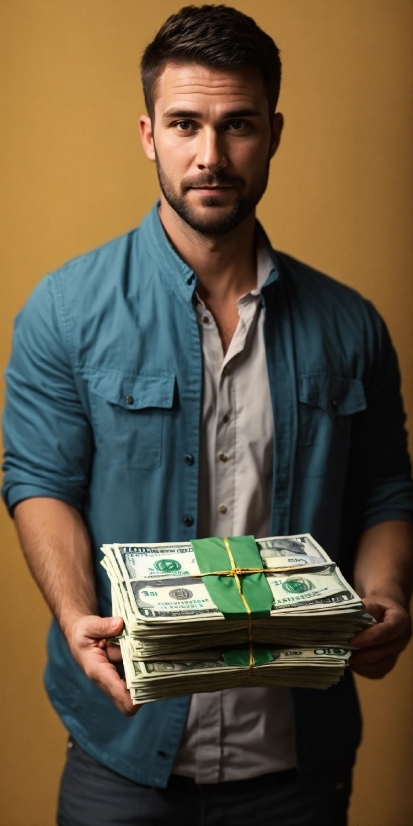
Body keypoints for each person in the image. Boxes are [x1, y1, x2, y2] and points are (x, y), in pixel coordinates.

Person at [2, 5, 413, 826]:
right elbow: (40, 478)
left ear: (274, 133)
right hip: (120, 759)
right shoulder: (65, 311)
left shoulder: (351, 325)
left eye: (238, 126)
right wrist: (74, 613)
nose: (211, 156)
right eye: (185, 124)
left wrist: (386, 593)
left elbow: (383, 493)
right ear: (149, 133)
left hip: (298, 764)